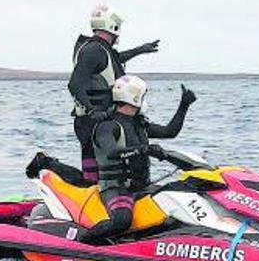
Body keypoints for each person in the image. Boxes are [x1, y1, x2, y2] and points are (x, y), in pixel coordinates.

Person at [27, 76, 197, 243]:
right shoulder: (107, 126)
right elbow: (111, 152)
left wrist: (184, 105)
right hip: (115, 187)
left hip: (140, 186)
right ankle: (83, 242)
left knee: (174, 197)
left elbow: (169, 132)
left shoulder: (139, 125)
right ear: (135, 98)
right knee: (122, 220)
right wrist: (143, 149)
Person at [68, 5, 160, 185]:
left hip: (98, 119)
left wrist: (141, 50)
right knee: (96, 176)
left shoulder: (100, 49)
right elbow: (75, 84)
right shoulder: (94, 50)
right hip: (92, 122)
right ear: (114, 27)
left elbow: (115, 59)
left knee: (105, 172)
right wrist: (92, 110)